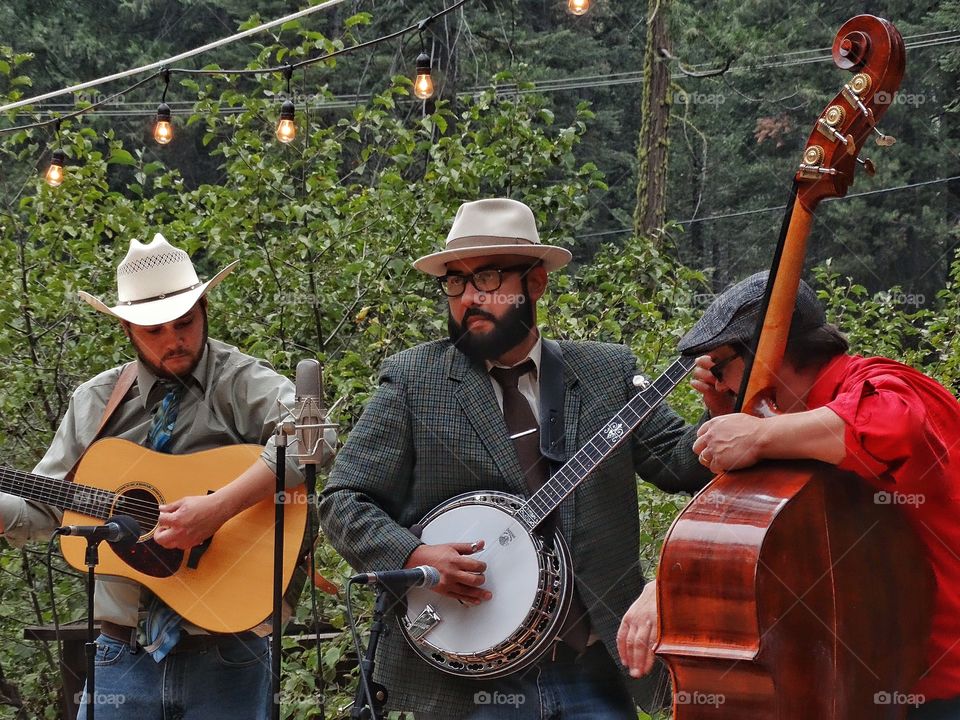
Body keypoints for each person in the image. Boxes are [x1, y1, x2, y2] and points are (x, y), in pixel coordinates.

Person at [319, 198, 711, 719]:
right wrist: (413, 555)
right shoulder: (413, 381)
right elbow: (344, 501)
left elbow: (683, 464)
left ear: (536, 283)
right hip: (466, 685)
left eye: (487, 278)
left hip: (592, 668)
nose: (468, 297)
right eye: (455, 282)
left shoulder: (605, 373)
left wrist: (726, 405)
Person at [618, 271, 960, 719]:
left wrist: (760, 433)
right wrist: (666, 587)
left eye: (721, 368)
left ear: (771, 353)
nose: (717, 385)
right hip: (865, 687)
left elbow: (896, 426)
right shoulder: (793, 427)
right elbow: (753, 549)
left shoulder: (882, 383)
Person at [0, 233, 308, 719]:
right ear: (126, 327)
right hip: (120, 651)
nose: (174, 341)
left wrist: (217, 509)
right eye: (153, 330)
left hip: (230, 650)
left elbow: (313, 440)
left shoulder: (242, 382)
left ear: (204, 308)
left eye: (184, 323)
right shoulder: (96, 402)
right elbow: (42, 507)